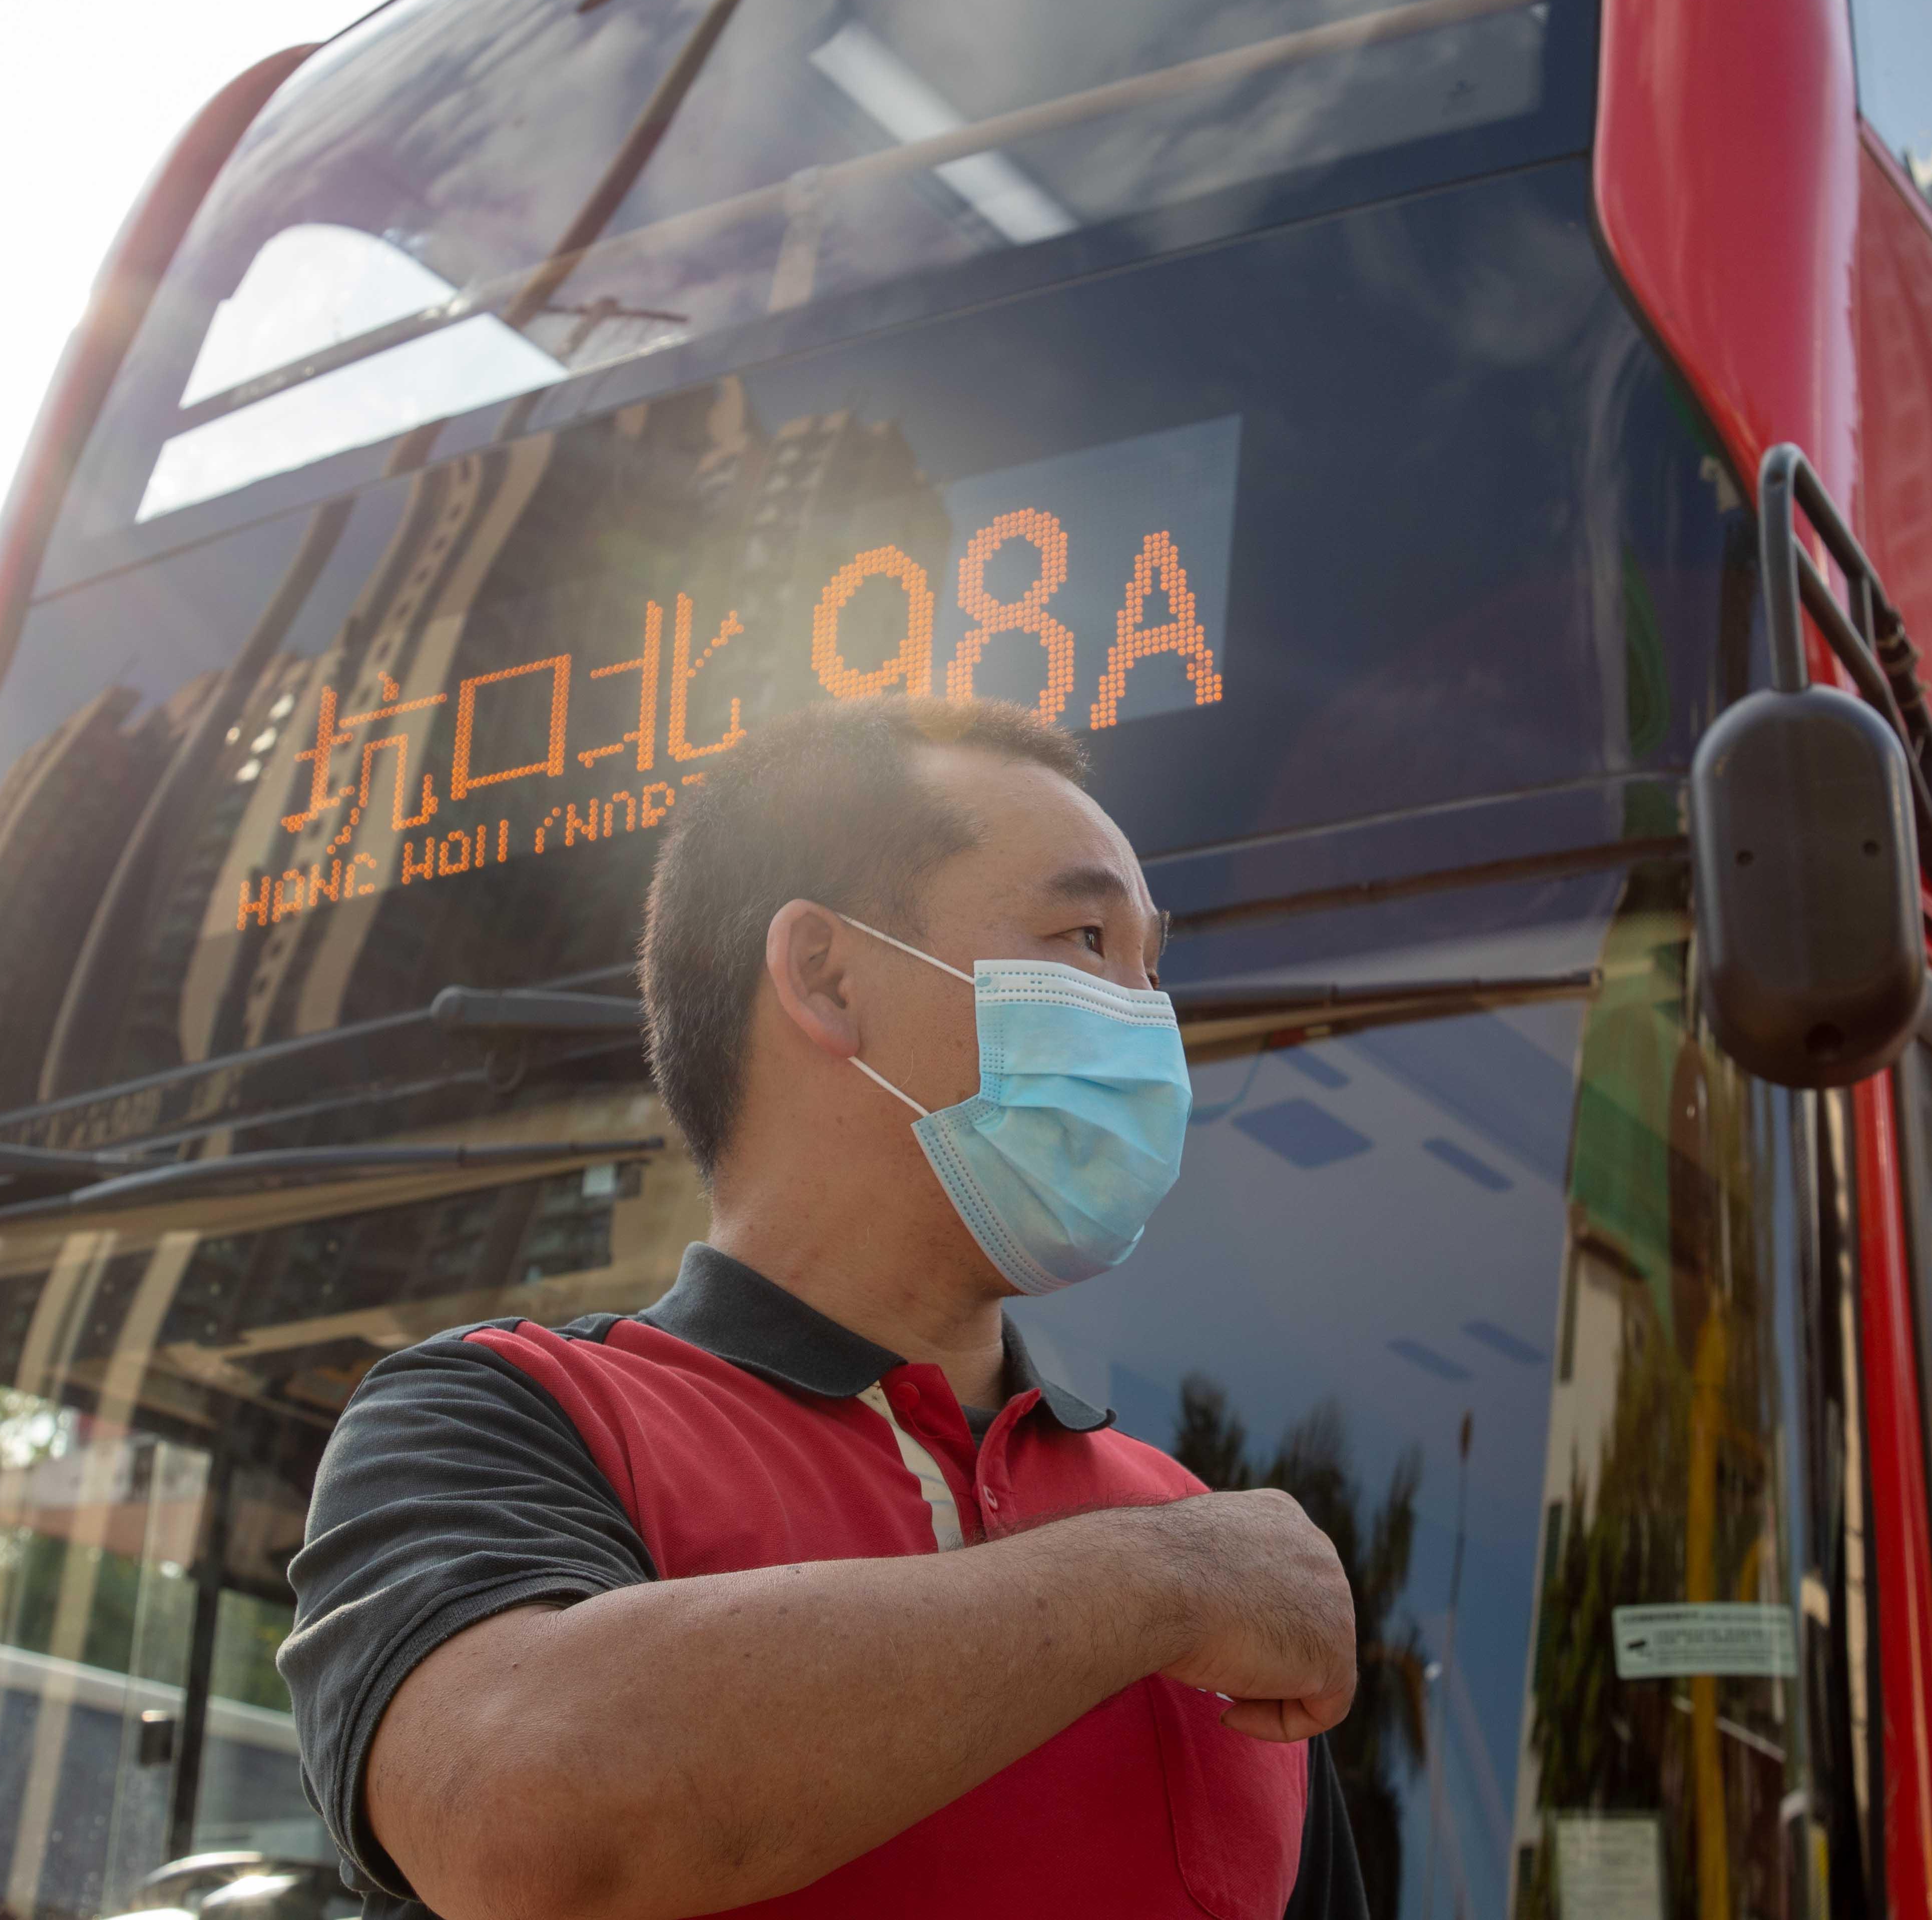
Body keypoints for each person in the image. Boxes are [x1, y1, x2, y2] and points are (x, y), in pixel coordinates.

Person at [278, 697, 1366, 1920]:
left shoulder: (1202, 1536)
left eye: (1151, 965)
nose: (1148, 1018)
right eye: (1085, 939)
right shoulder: (506, 1416)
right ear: (824, 976)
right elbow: (525, 1813)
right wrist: (1155, 1586)